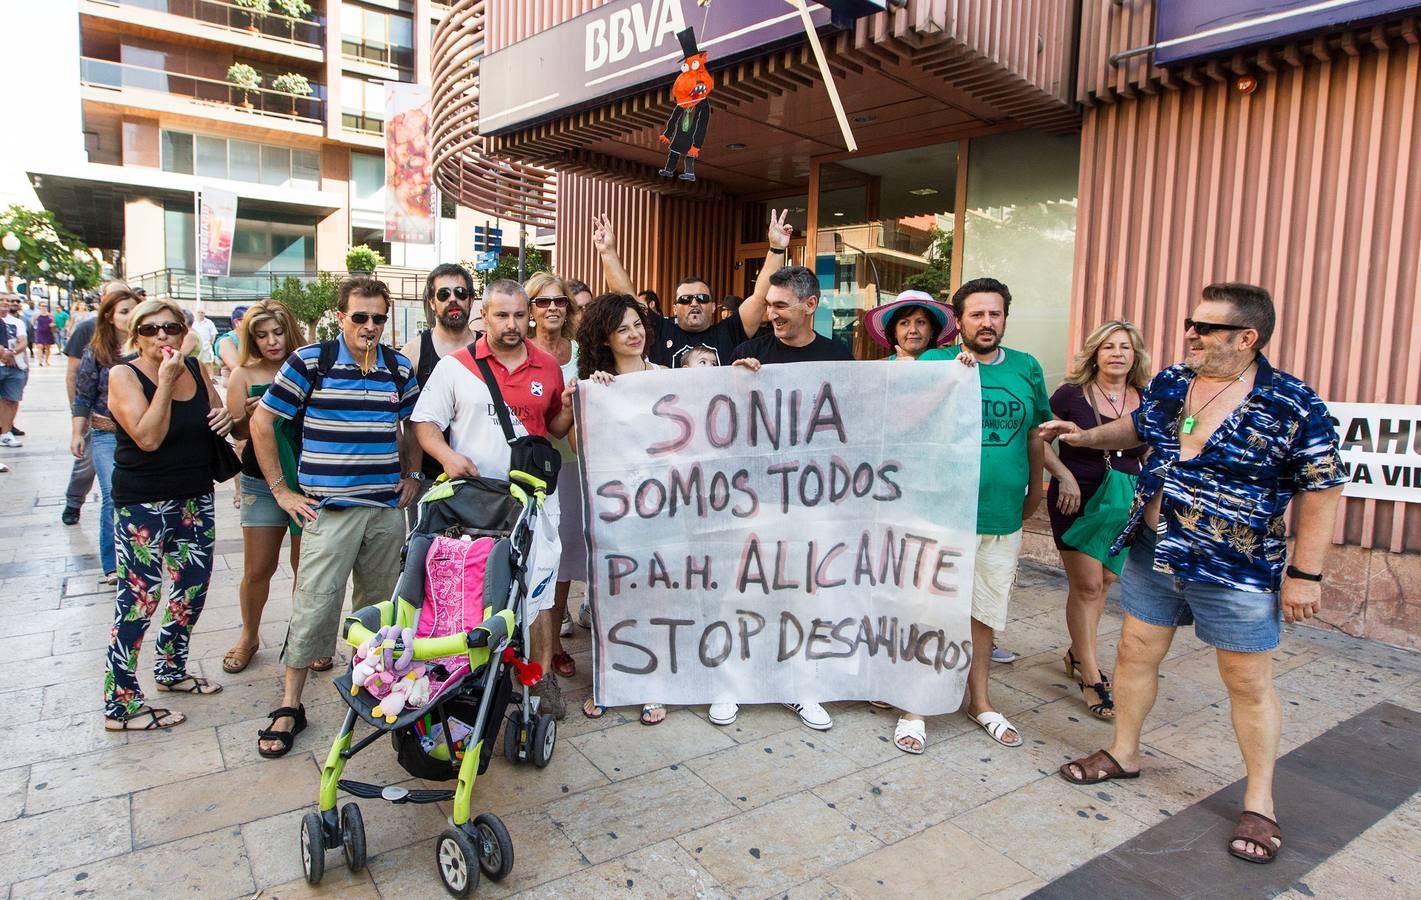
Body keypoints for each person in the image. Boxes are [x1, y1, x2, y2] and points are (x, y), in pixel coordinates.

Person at [1049, 283, 1346, 866]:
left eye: (1204, 327)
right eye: (1191, 322)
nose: (1189, 332)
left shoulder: (1293, 403)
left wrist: (1306, 574)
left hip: (1234, 567)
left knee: (1246, 682)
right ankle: (1125, 753)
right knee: (1135, 653)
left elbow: (1323, 488)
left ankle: (1259, 802)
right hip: (1155, 550)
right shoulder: (1171, 383)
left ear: (1246, 338)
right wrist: (1081, 435)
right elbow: (1136, 430)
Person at [250, 276, 422, 757]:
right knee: (315, 605)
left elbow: (412, 424)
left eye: (379, 318)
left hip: (386, 511)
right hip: (330, 511)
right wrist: (281, 491)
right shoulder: (311, 361)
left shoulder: (397, 367)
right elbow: (263, 421)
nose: (370, 326)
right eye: (361, 317)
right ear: (340, 316)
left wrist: (412, 472)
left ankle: (372, 690)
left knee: (381, 608)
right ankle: (290, 704)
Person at [895, 277, 1049, 753]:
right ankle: (914, 705)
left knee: (984, 616)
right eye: (977, 314)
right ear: (958, 322)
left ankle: (979, 701)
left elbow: (1035, 434)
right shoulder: (936, 362)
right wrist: (948, 382)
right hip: (943, 514)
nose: (987, 322)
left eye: (995, 313)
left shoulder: (1027, 367)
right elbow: (905, 421)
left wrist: (1037, 488)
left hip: (1000, 517)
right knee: (930, 610)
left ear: (1005, 318)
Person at [412, 279, 575, 718]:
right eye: (501, 315)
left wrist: (570, 408)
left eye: (520, 315)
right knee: (476, 589)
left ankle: (541, 681)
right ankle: (467, 674)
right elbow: (424, 424)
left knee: (538, 591)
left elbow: (555, 429)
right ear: (483, 317)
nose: (511, 324)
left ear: (530, 315)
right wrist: (447, 456)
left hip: (537, 499)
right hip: (475, 502)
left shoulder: (547, 365)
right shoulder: (455, 366)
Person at [715, 266, 850, 732]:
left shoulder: (839, 356)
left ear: (810, 305)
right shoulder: (749, 351)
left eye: (780, 305)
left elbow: (853, 419)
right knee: (743, 592)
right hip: (754, 495)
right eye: (768, 304)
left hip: (811, 497)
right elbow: (725, 418)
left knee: (800, 595)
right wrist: (734, 380)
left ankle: (799, 686)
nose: (770, 313)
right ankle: (732, 683)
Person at [103, 297, 232, 730]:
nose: (162, 337)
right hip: (143, 502)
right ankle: (120, 707)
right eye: (150, 330)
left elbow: (217, 416)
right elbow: (147, 437)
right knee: (139, 600)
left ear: (183, 332)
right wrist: (164, 380)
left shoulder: (196, 369)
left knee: (191, 591)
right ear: (135, 336)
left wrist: (226, 417)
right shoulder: (124, 375)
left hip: (194, 496)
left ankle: (171, 671)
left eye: (171, 328)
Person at [1043, 321, 1151, 720]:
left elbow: (1152, 450)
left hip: (1124, 499)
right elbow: (1039, 439)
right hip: (1078, 496)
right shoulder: (1071, 394)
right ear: (1095, 353)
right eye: (1108, 347)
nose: (1117, 354)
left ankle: (1076, 652)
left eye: (1125, 347)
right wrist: (1063, 475)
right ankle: (1090, 674)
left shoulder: (1147, 398)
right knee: (1087, 585)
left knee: (1105, 580)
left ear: (1135, 354)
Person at [572, 293, 671, 726]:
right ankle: (608, 683)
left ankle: (653, 684)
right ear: (604, 339)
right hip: (612, 511)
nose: (634, 335)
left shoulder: (667, 376)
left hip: (664, 507)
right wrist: (594, 404)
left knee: (653, 596)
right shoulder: (595, 384)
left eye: (638, 325)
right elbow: (577, 446)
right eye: (622, 329)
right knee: (609, 598)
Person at [221, 300, 304, 675]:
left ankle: (304, 638)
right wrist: (249, 415)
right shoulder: (242, 373)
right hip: (261, 476)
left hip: (307, 475)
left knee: (307, 569)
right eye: (262, 335)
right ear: (250, 338)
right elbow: (236, 433)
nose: (272, 341)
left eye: (278, 332)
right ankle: (249, 635)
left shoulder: (306, 363)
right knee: (258, 568)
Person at [595, 209, 788, 366]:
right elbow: (625, 297)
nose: (694, 303)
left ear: (713, 307)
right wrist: (607, 252)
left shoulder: (729, 331)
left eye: (702, 298)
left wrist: (777, 249)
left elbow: (760, 296)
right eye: (685, 300)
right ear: (674, 308)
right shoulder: (659, 329)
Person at [525, 272, 583, 671]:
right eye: (543, 302)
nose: (552, 308)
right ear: (530, 310)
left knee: (561, 555)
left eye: (559, 301)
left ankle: (554, 641)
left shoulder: (582, 351)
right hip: (529, 467)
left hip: (575, 462)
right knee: (527, 554)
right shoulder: (518, 351)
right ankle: (523, 643)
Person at [70, 287, 141, 583]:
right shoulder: (97, 352)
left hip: (141, 434)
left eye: (134, 310)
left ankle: (140, 555)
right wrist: (77, 431)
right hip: (106, 434)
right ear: (110, 317)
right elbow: (84, 394)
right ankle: (112, 564)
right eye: (124, 311)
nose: (130, 317)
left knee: (141, 496)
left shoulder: (148, 349)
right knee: (114, 494)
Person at [399, 263, 477, 494]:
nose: (453, 299)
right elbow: (405, 422)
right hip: (429, 480)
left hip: (480, 476)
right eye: (444, 294)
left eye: (460, 293)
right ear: (432, 302)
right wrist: (412, 474)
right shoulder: (413, 353)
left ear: (471, 300)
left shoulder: (489, 349)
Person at [61, 301, 102, 521]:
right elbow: (73, 374)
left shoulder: (140, 334)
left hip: (130, 415)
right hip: (96, 415)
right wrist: (77, 415)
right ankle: (73, 502)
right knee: (86, 463)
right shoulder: (88, 329)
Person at [0, 295, 28, 450]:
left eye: (8, 302)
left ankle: (5, 433)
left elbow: (22, 341)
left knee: (11, 399)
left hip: (14, 366)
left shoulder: (15, 322)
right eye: (2, 301)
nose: (6, 304)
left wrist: (9, 354)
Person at [214, 304, 248, 377]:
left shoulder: (256, 337)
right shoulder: (226, 340)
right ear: (237, 322)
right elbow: (239, 371)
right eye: (250, 319)